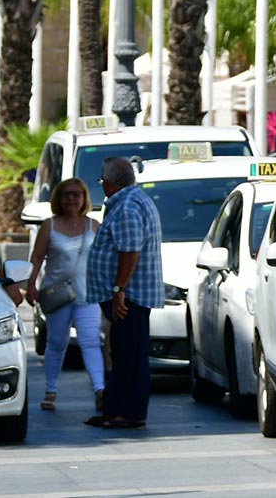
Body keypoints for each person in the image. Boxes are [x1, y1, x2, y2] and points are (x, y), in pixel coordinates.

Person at [84, 157, 163, 429]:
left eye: (102, 180)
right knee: (123, 353)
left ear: (109, 182)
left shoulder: (127, 206)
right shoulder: (129, 201)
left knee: (129, 356)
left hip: (130, 296)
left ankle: (128, 413)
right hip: (128, 294)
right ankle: (114, 409)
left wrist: (119, 290)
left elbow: (130, 251)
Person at [26, 178, 104, 411]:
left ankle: (100, 389)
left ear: (84, 199)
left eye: (76, 194)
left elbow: (102, 260)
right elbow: (37, 258)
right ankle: (51, 390)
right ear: (58, 198)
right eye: (66, 194)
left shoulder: (93, 226)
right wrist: (30, 285)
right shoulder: (49, 225)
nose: (71, 198)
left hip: (87, 294)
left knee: (90, 342)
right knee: (57, 342)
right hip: (57, 294)